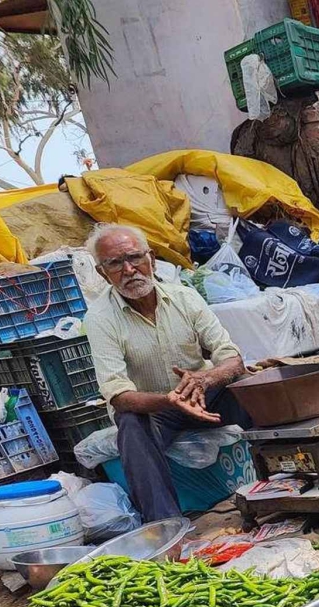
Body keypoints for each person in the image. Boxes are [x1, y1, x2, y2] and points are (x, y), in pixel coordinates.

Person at [83, 224, 252, 522]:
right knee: (130, 423)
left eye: (135, 257)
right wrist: (169, 400)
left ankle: (283, 481)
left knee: (252, 386)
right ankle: (165, 525)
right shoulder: (100, 318)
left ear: (152, 259)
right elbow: (119, 394)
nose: (129, 269)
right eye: (115, 263)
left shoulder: (185, 298)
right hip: (157, 409)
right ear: (102, 273)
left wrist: (206, 379)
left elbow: (230, 356)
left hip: (204, 394)